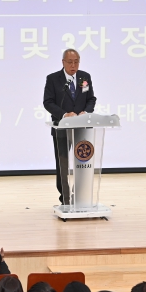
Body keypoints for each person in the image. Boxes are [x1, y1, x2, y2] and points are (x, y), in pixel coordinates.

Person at [43, 49, 97, 204]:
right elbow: (48, 102)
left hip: (82, 129)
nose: (73, 65)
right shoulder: (53, 79)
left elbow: (90, 99)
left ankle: (80, 196)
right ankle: (65, 198)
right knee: (63, 165)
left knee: (83, 163)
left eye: (76, 62)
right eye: (70, 62)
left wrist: (86, 112)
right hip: (61, 129)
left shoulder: (84, 78)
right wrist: (65, 114)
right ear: (63, 62)